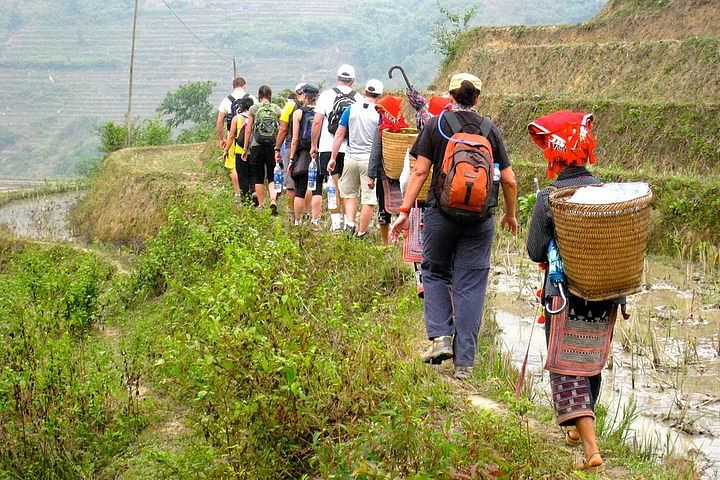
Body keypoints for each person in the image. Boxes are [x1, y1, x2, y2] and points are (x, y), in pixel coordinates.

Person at [390, 73, 518, 380]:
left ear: (451, 96)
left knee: (434, 271)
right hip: (480, 219)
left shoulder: (437, 125)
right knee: (471, 285)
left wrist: (404, 210)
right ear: (477, 98)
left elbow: (420, 172)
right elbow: (510, 179)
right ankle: (465, 364)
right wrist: (510, 214)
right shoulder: (490, 130)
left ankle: (440, 337)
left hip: (442, 214)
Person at [526, 110, 613, 474]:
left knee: (565, 365)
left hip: (563, 294)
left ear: (555, 155)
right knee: (590, 359)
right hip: (606, 292)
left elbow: (534, 250)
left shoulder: (550, 198)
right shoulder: (610, 195)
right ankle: (579, 430)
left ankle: (590, 446)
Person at [310, 64, 363, 232]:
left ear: (337, 78)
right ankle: (349, 223)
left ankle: (336, 224)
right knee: (349, 187)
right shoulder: (359, 99)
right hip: (351, 150)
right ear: (353, 81)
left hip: (327, 147)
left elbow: (317, 122)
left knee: (333, 184)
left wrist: (314, 145)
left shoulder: (326, 95)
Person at [328, 79, 383, 238]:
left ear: (365, 92)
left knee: (350, 194)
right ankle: (361, 233)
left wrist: (333, 157)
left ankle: (350, 223)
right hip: (369, 162)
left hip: (350, 158)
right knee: (368, 199)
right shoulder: (379, 114)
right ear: (379, 95)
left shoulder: (350, 109)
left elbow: (339, 134)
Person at [368, 95, 410, 245]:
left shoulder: (381, 131)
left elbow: (375, 153)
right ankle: (404, 242)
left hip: (384, 175)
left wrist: (371, 176)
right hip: (404, 176)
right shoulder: (405, 128)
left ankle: (386, 243)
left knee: (383, 208)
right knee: (404, 207)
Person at [242, 85, 282, 214]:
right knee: (271, 175)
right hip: (272, 145)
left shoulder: (254, 109)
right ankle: (273, 200)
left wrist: (245, 148)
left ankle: (261, 204)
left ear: (259, 95)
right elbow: (281, 129)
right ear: (270, 95)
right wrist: (279, 147)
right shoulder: (276, 109)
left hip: (256, 145)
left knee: (258, 176)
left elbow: (248, 130)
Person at [216, 77, 257, 197]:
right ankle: (252, 189)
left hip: (234, 137)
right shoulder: (252, 98)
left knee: (234, 166)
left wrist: (221, 139)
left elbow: (219, 122)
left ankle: (238, 193)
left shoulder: (226, 100)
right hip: (251, 138)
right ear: (245, 86)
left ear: (233, 86)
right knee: (251, 165)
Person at [288, 85, 320, 225]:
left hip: (302, 155)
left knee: (300, 189)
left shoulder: (299, 113)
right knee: (317, 190)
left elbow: (295, 139)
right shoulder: (321, 113)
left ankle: (298, 221)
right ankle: (315, 221)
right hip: (318, 154)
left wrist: (291, 159)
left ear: (304, 96)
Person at [275, 83, 306, 219]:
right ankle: (305, 212)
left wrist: (277, 148)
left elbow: (282, 129)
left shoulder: (289, 107)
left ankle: (292, 215)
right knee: (307, 182)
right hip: (308, 149)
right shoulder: (314, 108)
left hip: (290, 147)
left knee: (290, 184)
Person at [223, 96, 255, 201]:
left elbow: (231, 136)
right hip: (254, 151)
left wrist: (226, 150)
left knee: (242, 176)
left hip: (239, 151)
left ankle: (245, 199)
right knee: (253, 175)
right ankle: (254, 194)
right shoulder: (255, 118)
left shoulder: (237, 119)